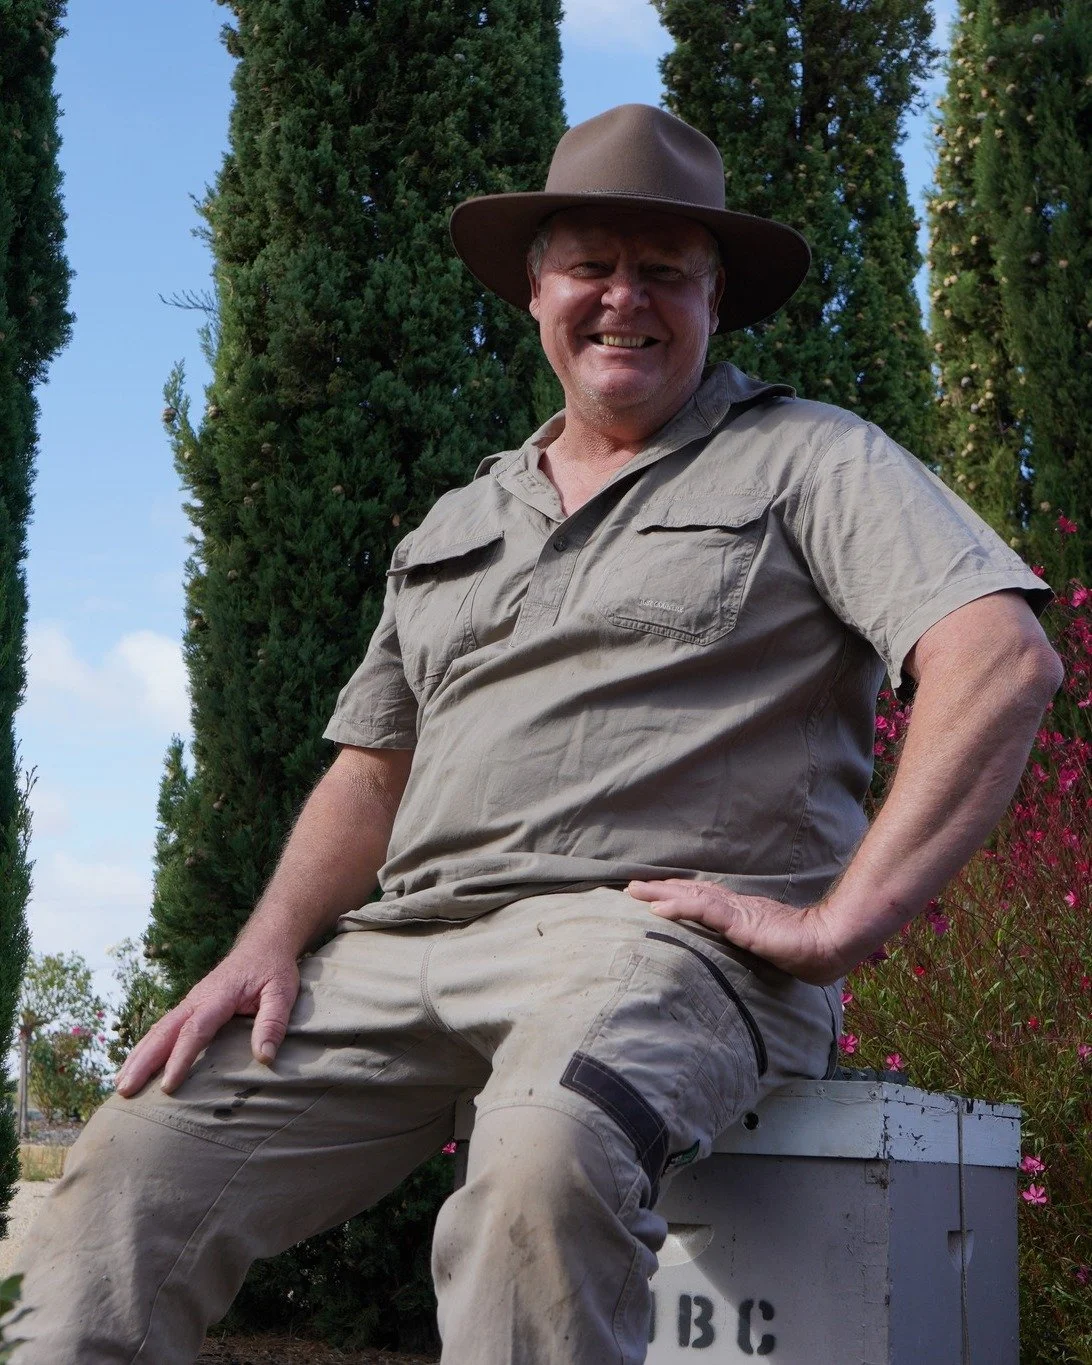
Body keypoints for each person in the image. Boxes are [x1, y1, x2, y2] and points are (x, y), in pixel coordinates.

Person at [10, 104, 1060, 1364]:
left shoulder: (812, 460)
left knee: (543, 1161)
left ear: (715, 298)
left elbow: (1000, 658)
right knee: (133, 1164)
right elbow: (374, 769)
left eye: (663, 270)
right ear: (535, 292)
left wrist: (837, 929)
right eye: (591, 267)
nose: (626, 298)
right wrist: (266, 945)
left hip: (649, 946)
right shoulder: (457, 521)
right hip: (399, 948)